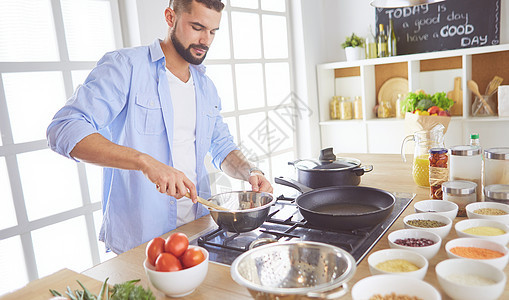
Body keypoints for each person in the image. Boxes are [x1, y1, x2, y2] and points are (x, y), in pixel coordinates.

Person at [46, 0, 273, 254]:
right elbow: (64, 128)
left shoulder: (206, 87)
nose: (205, 40)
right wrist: (144, 161)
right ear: (170, 17)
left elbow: (221, 146)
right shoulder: (125, 66)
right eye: (197, 27)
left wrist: (250, 171)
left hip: (198, 233)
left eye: (212, 31)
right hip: (141, 243)